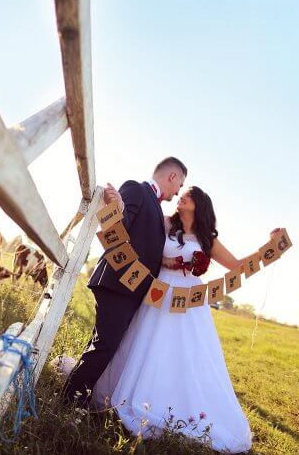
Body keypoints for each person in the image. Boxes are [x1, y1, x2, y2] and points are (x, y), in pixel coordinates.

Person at [89, 186, 258, 452]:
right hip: (158, 292)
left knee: (185, 353)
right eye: (182, 192)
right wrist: (166, 262)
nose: (182, 196)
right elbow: (144, 245)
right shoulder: (165, 223)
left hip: (190, 302)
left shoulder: (207, 240)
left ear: (199, 204)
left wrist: (270, 248)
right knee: (144, 342)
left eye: (188, 194)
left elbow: (237, 265)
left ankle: (176, 403)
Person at [62, 157, 187, 405]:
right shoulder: (136, 188)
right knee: (106, 344)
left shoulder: (156, 206)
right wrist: (118, 206)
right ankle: (71, 399)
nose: (178, 191)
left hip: (131, 288)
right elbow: (122, 226)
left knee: (104, 343)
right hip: (118, 283)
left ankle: (76, 392)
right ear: (172, 177)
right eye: (180, 185)